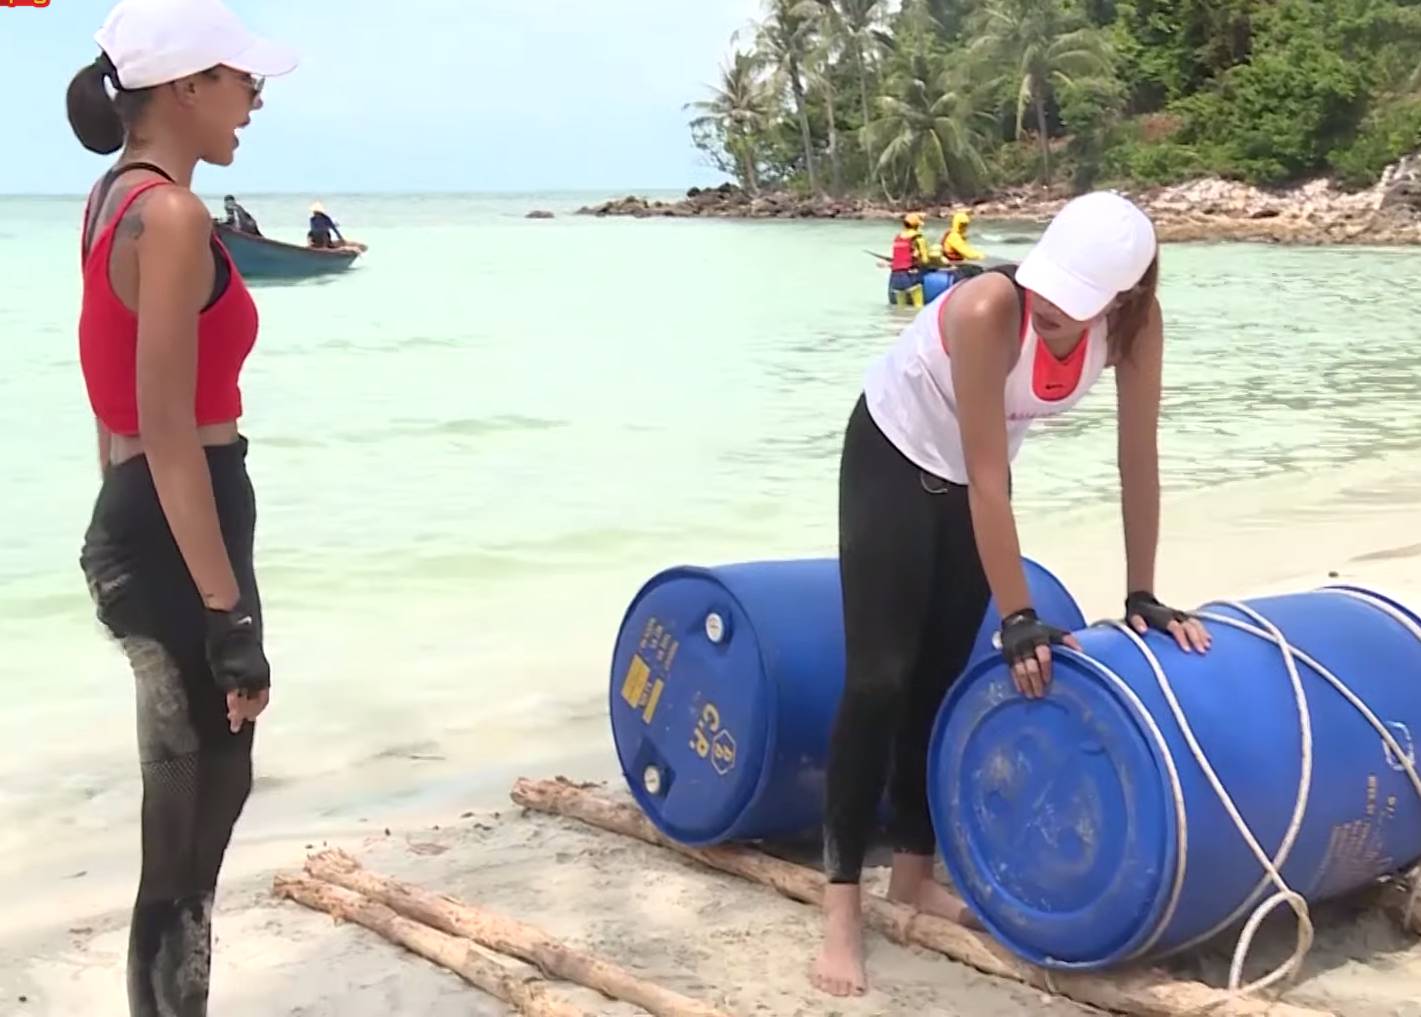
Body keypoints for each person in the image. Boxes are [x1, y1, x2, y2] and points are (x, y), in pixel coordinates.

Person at [812, 191, 1213, 997]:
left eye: (1076, 302)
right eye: (1050, 288)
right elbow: (989, 481)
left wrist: (1142, 592)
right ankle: (840, 904)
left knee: (937, 677)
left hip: (968, 477)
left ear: (1122, 298)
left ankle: (915, 876)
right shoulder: (991, 307)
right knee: (879, 676)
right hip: (892, 458)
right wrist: (1021, 617)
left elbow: (1138, 457)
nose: (1054, 311)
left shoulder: (1134, 327)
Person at [66, 0, 296, 1013]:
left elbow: (113, 407)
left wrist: (135, 533)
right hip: (175, 528)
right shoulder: (170, 214)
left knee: (196, 808)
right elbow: (166, 426)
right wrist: (224, 611)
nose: (253, 98)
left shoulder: (112, 198)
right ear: (183, 86)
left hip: (150, 519)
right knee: (192, 820)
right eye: (240, 79)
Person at [887, 212, 931, 307]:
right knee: (918, 307)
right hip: (911, 275)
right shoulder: (918, 238)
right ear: (917, 226)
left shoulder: (898, 238)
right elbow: (925, 260)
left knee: (900, 308)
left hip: (895, 276)